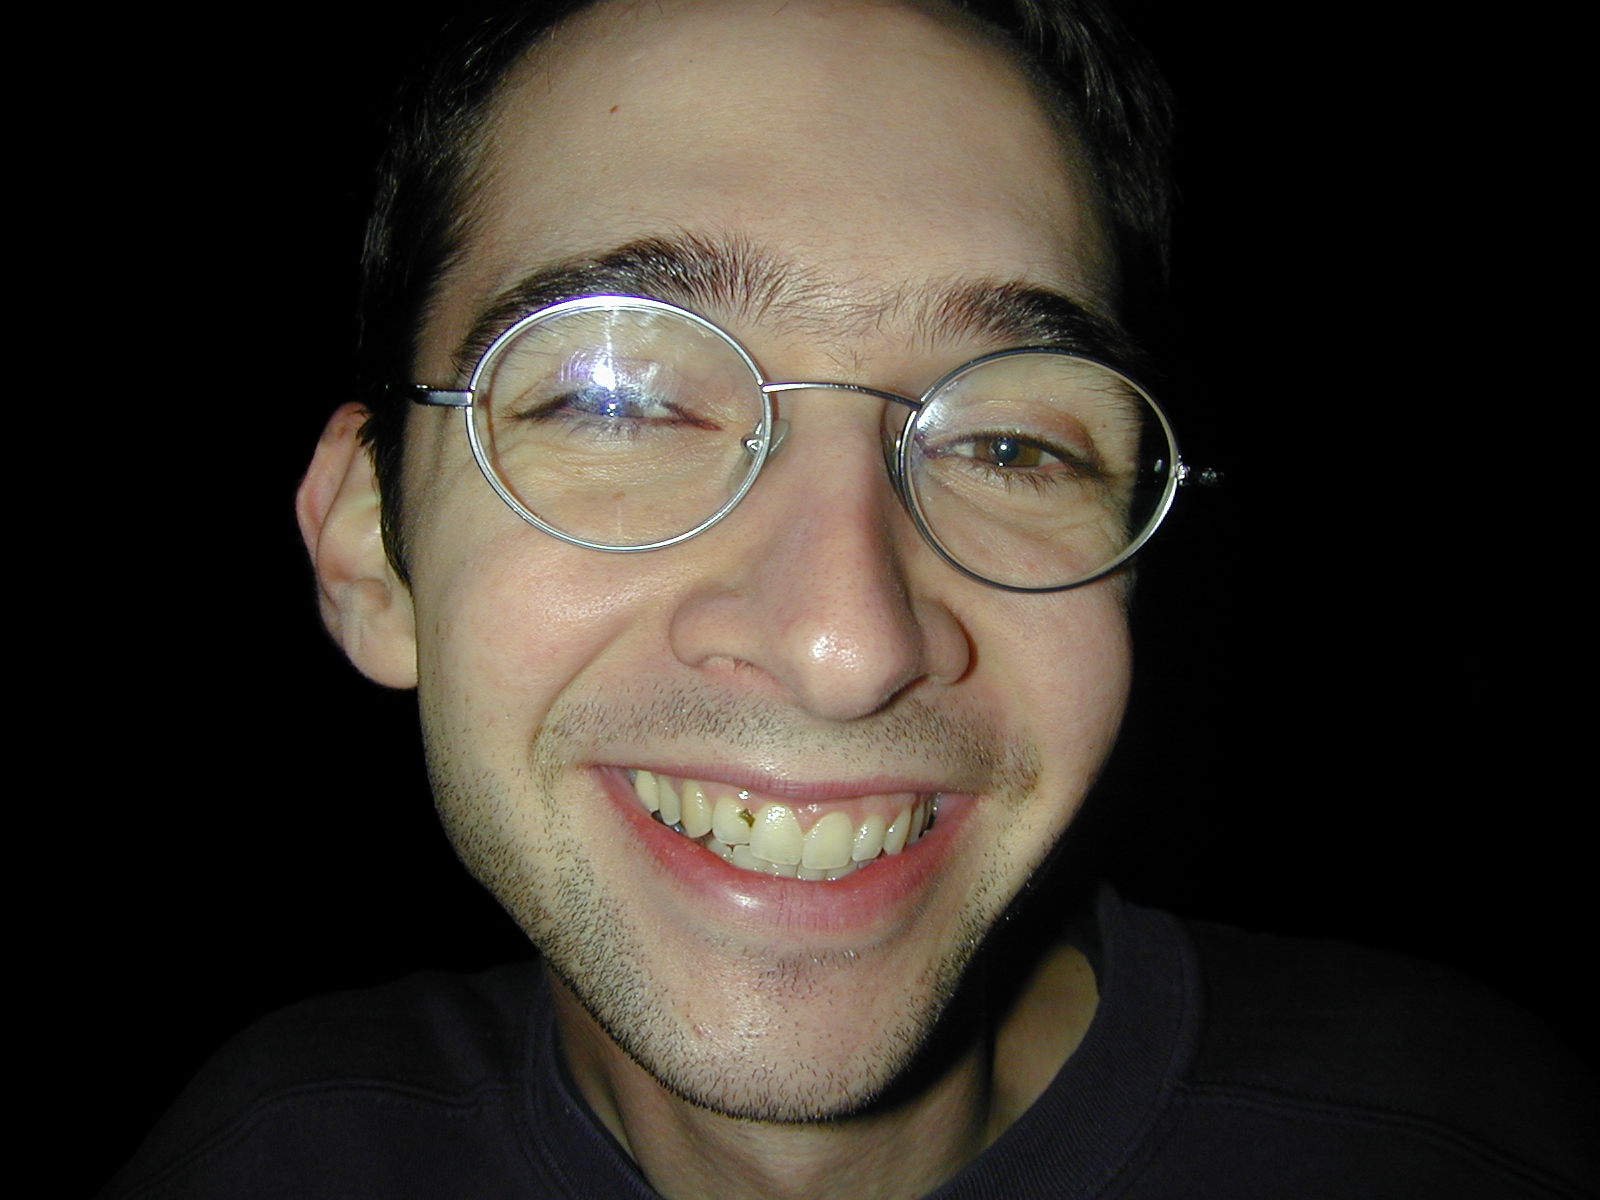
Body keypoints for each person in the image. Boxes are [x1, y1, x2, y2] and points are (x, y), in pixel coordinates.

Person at [101, 1, 1595, 1197]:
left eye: (1011, 443)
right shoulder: (266, 1153)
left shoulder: (1464, 1136)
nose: (846, 642)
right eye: (619, 397)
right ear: (371, 548)